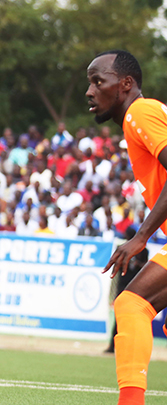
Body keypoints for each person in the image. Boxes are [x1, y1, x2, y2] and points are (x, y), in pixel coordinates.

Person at [88, 49, 167, 405]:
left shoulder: (139, 112)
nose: (90, 91)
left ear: (126, 84)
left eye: (97, 81)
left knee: (131, 305)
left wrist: (141, 237)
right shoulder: (142, 117)